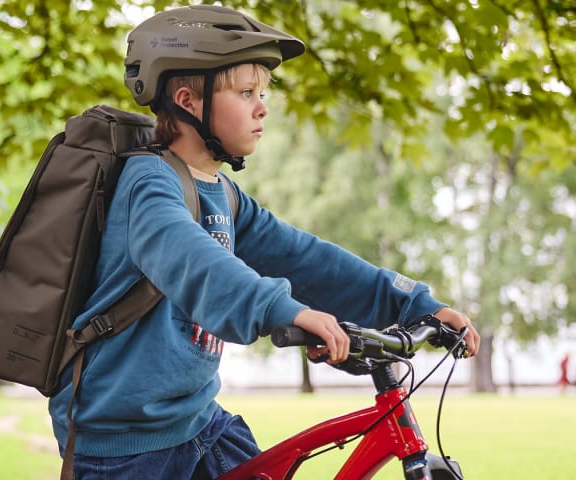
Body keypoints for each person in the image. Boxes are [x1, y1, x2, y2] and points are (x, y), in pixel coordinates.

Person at [48, 5, 480, 479]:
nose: (262, 106)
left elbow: (306, 258)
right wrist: (282, 308)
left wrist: (411, 302)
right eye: (245, 91)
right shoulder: (148, 184)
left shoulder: (223, 194)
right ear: (189, 100)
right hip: (127, 447)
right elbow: (195, 263)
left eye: (263, 93)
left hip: (198, 424)